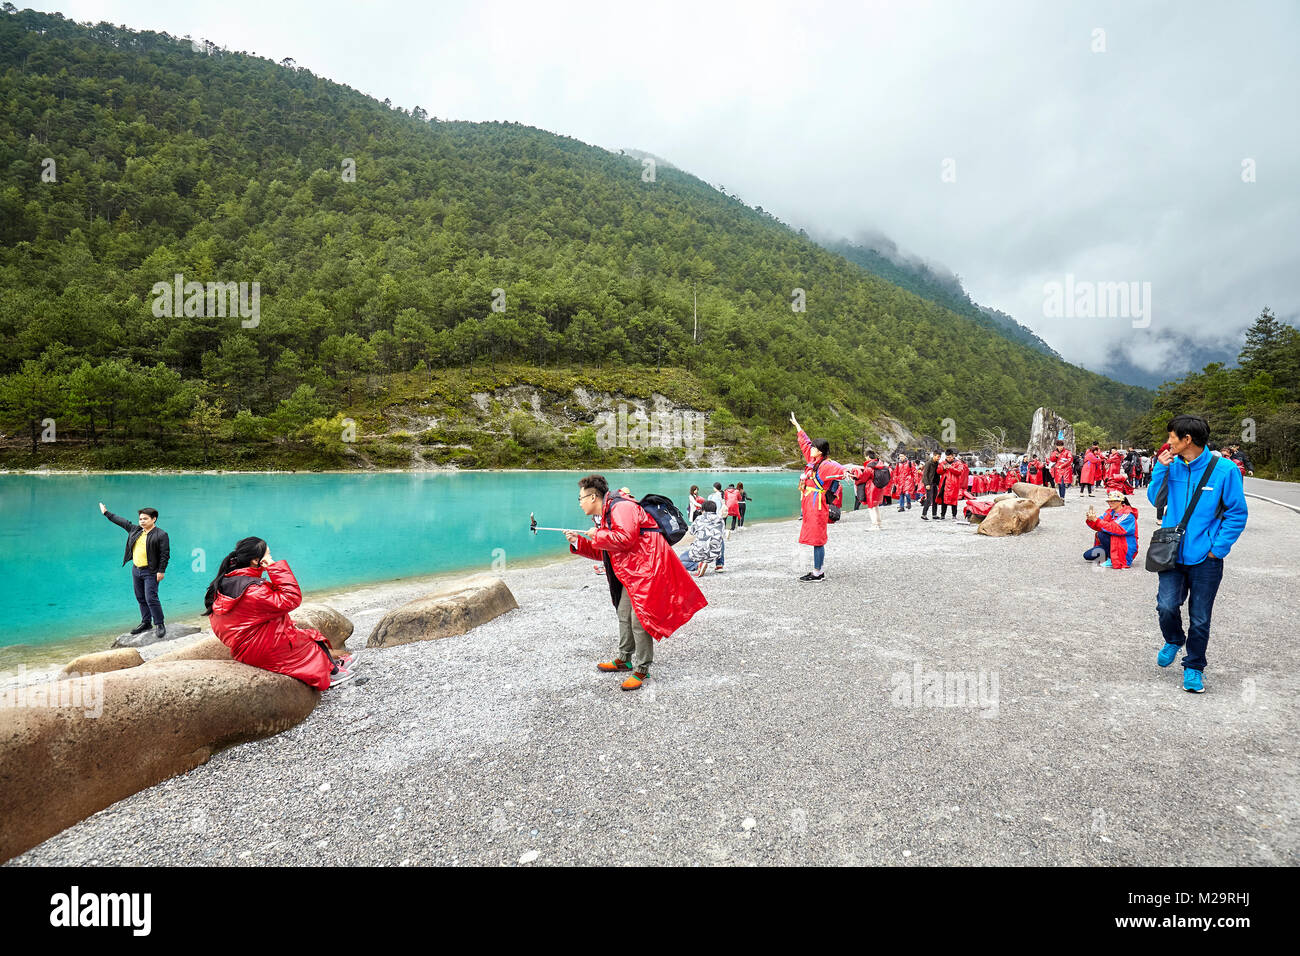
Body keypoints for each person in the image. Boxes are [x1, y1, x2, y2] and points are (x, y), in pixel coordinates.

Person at [564, 475, 707, 690]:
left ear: (593, 496)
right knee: (624, 613)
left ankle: (641, 669)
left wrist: (599, 533)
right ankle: (624, 658)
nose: (580, 502)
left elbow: (626, 538)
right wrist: (579, 542)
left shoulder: (621, 508)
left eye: (580, 498)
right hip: (632, 572)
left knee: (640, 620)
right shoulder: (605, 514)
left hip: (647, 568)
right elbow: (607, 549)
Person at [1147, 415, 1248, 694]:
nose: (1168, 443)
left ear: (1186, 439)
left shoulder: (1225, 470)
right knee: (1166, 606)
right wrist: (1160, 470)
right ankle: (1174, 639)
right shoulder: (1171, 466)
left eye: (1171, 438)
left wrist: (1218, 549)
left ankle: (1194, 667)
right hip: (1172, 553)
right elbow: (1156, 500)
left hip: (1206, 559)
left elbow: (1237, 513)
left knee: (1200, 616)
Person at [204, 536, 353, 689]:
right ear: (256, 560)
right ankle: (331, 673)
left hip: (243, 646)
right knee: (308, 642)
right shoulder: (253, 590)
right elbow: (291, 598)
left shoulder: (222, 584)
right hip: (259, 648)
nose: (270, 557)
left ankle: (332, 664)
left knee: (305, 634)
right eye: (268, 554)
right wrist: (273, 567)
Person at [791, 413, 859, 580]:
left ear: (820, 451)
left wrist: (848, 473)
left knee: (818, 539)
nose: (811, 449)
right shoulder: (814, 460)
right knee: (814, 537)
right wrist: (798, 427)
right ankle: (817, 570)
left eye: (814, 447)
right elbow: (805, 444)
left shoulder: (827, 465)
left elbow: (841, 469)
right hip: (810, 504)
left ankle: (818, 572)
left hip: (817, 505)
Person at [99, 502, 170, 639]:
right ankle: (146, 622)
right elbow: (121, 521)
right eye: (140, 519)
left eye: (145, 519)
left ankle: (159, 624)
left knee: (151, 598)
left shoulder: (161, 534)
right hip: (136, 570)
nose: (142, 521)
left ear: (153, 519)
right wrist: (106, 513)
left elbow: (164, 554)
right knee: (140, 597)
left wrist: (161, 571)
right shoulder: (135, 530)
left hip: (151, 571)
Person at [1083, 490, 1139, 568]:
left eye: (1113, 501)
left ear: (1120, 501)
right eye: (1109, 501)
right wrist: (1091, 520)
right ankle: (1111, 554)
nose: (1110, 503)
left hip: (1124, 545)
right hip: (1113, 541)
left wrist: (1096, 520)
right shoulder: (1110, 512)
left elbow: (1116, 529)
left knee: (1101, 534)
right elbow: (1099, 525)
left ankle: (1112, 559)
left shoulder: (1128, 515)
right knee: (1087, 555)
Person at [679, 500, 725, 576]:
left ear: (703, 510)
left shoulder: (699, 518)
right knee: (719, 538)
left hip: (699, 552)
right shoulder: (720, 519)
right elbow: (721, 532)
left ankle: (697, 565)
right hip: (715, 553)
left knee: (680, 560)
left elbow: (692, 532)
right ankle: (719, 564)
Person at [935, 449, 968, 520]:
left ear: (953, 456)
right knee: (944, 500)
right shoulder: (943, 463)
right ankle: (942, 515)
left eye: (950, 457)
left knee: (954, 500)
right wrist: (943, 468)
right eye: (947, 457)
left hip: (954, 484)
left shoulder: (958, 463)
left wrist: (950, 468)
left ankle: (954, 515)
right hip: (944, 483)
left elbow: (959, 472)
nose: (948, 459)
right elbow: (938, 471)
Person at [859, 449, 887, 530]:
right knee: (876, 506)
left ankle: (874, 525)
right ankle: (879, 523)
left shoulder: (869, 465)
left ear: (868, 457)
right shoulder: (880, 464)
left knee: (871, 506)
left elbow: (864, 477)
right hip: (879, 487)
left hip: (871, 487)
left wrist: (857, 478)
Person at [920, 451, 941, 520]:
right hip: (929, 483)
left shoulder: (937, 463)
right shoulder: (928, 463)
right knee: (928, 499)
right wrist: (927, 484)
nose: (939, 458)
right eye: (938, 457)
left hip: (935, 483)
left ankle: (934, 514)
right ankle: (924, 514)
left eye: (940, 457)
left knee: (935, 499)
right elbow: (925, 474)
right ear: (934, 456)